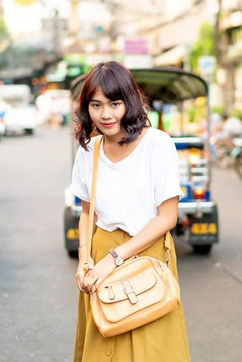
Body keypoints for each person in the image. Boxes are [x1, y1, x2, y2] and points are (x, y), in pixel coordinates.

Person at [70, 61, 190, 362]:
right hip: (101, 251)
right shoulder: (89, 150)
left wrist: (114, 259)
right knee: (105, 338)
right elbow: (87, 213)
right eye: (96, 105)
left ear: (130, 102)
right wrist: (84, 259)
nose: (106, 114)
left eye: (114, 103)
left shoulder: (157, 144)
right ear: (87, 108)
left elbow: (167, 217)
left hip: (145, 251)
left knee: (153, 347)